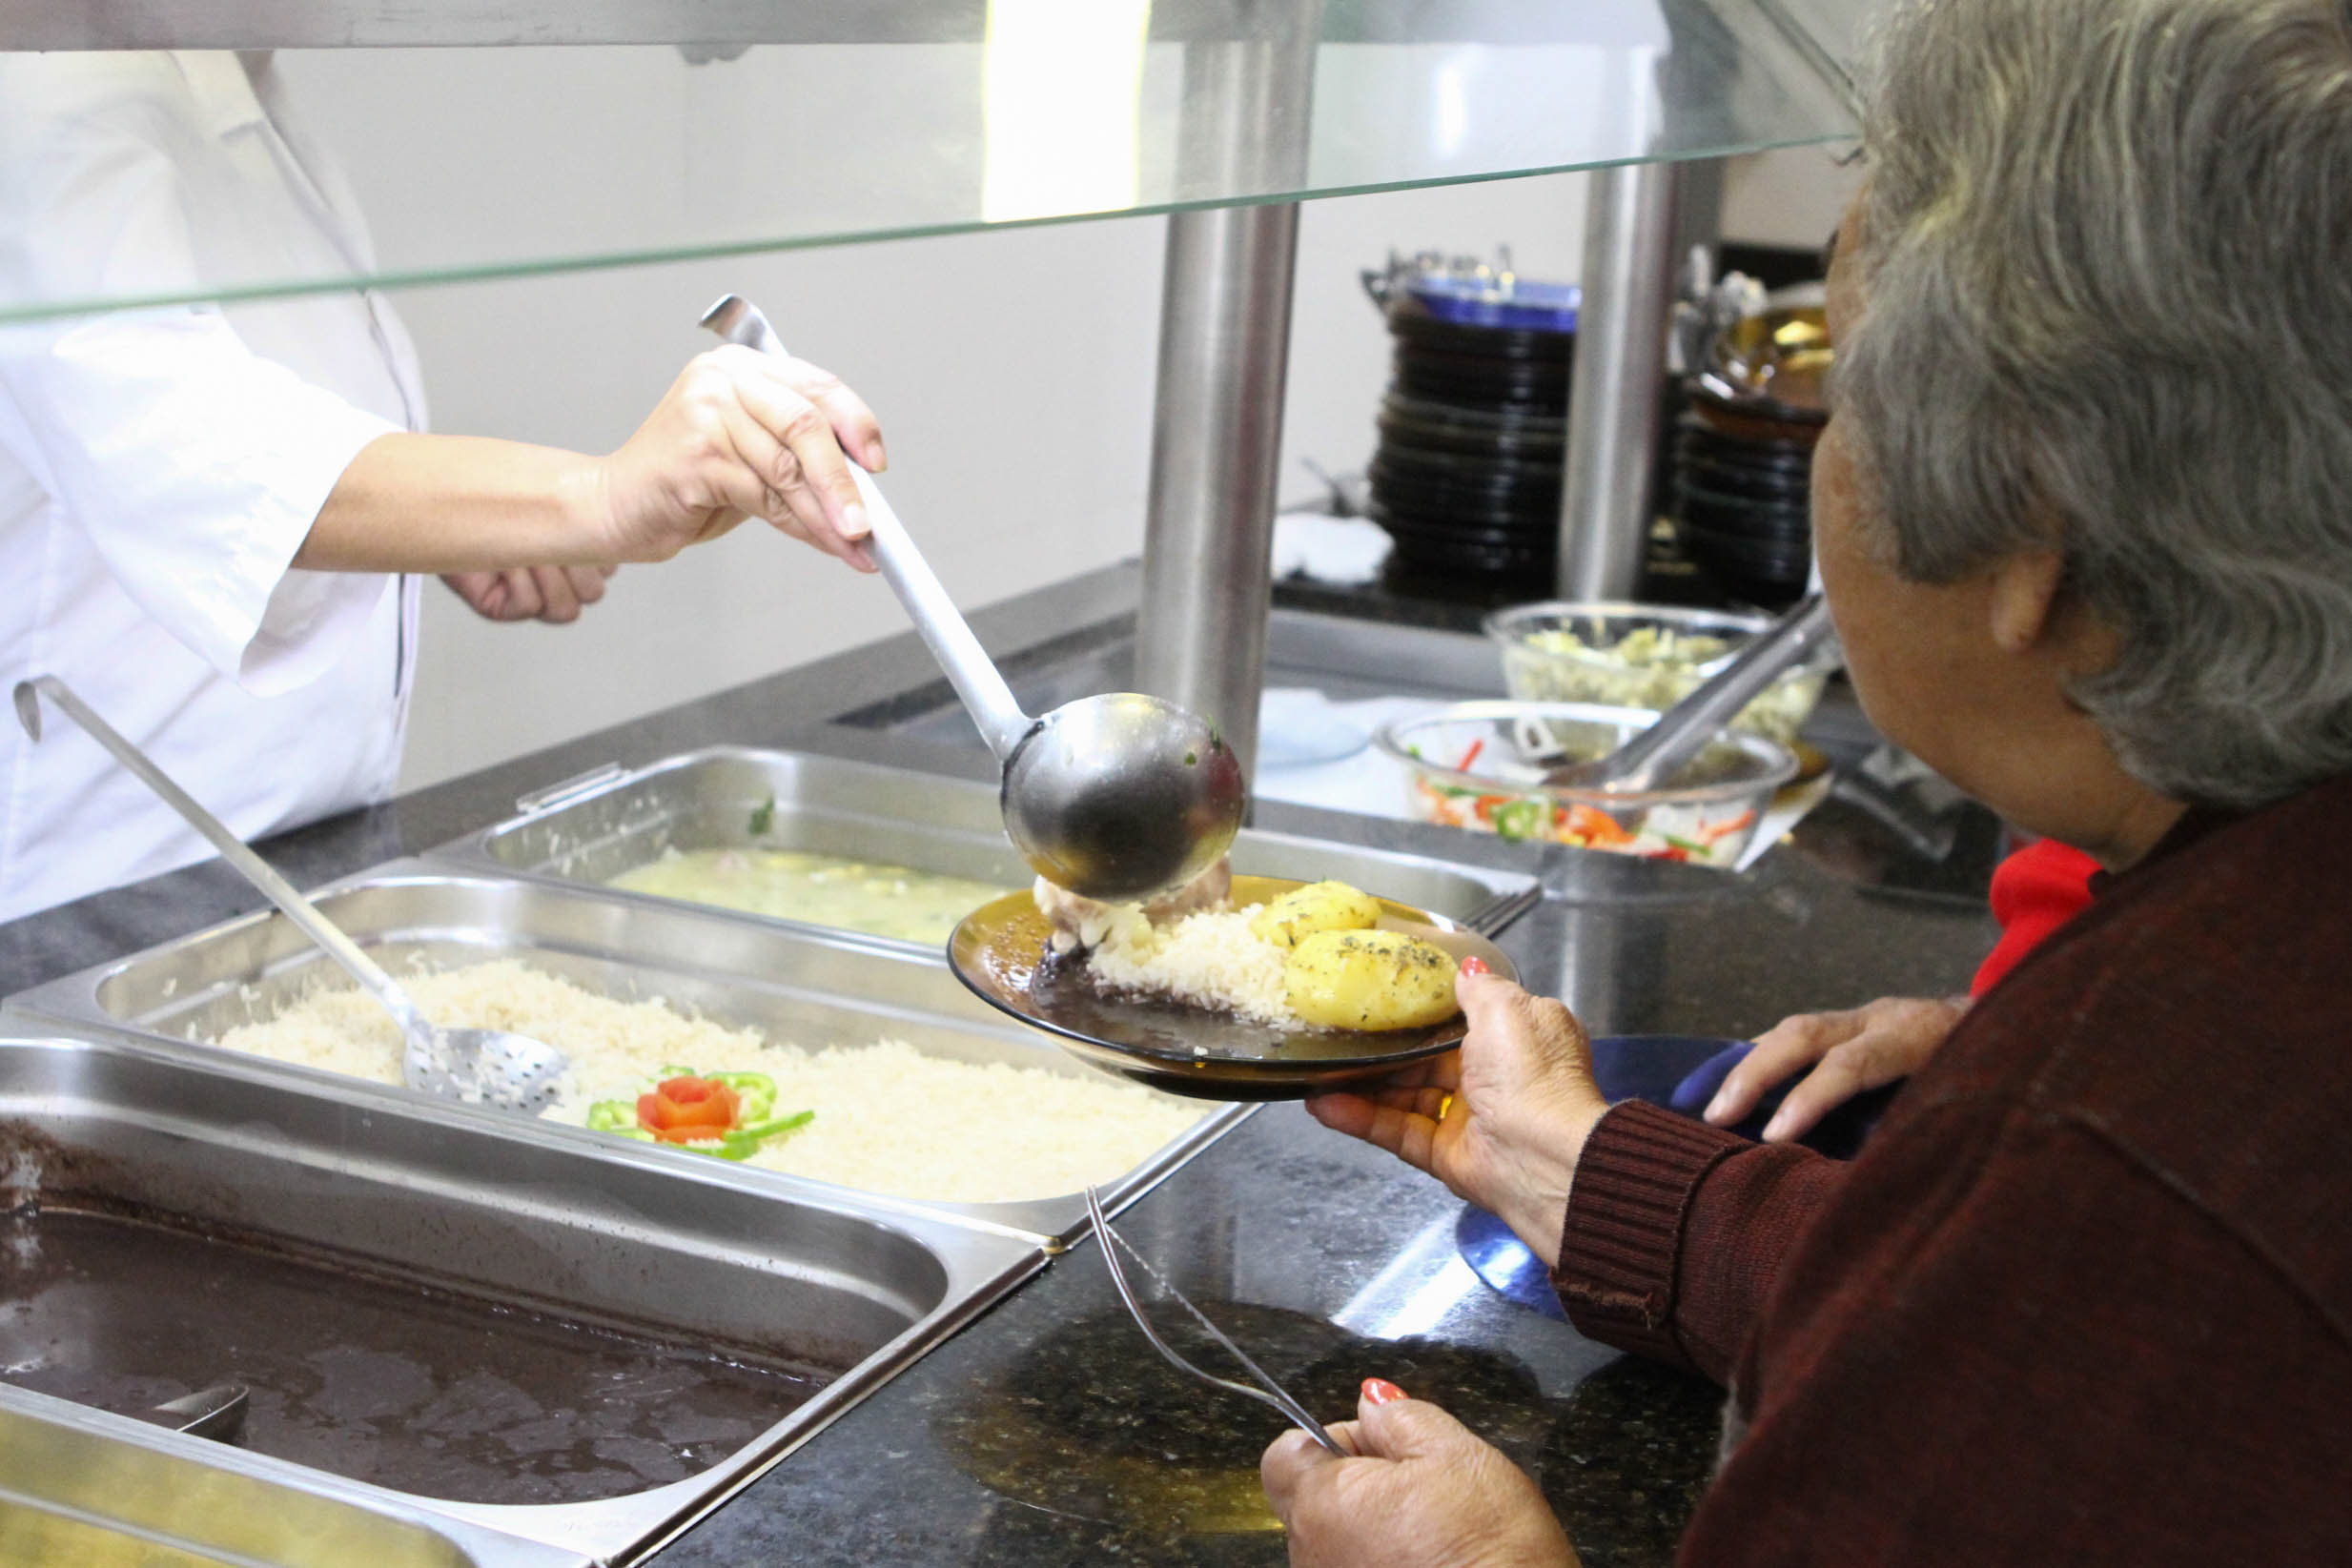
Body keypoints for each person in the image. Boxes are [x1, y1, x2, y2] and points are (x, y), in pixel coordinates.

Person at [1262, 1, 2352, 1561]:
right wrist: (1589, 1177)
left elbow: (2072, 1317)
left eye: (1848, 396)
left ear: (2028, 537)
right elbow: (2003, 1339)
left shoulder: (2140, 1130)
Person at [0, 50, 882, 922]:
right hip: (99, 891)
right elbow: (194, 449)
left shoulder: (243, 81)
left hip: (296, 860)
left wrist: (458, 529)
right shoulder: (49, 75)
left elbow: (296, 414)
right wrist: (599, 497)